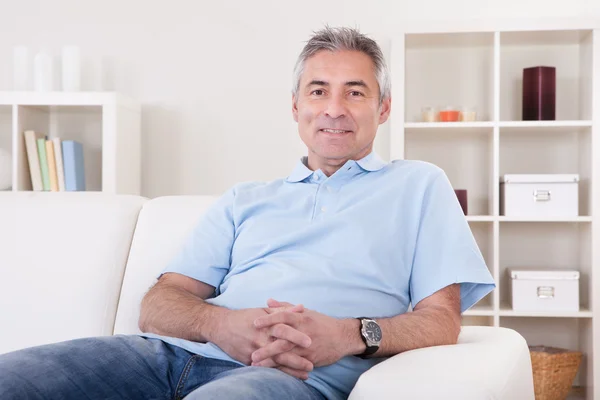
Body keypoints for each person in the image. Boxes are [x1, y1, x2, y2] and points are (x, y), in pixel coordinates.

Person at [0, 26, 495, 400]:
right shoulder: (247, 198)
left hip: (288, 377)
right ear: (296, 106)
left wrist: (347, 334)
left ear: (383, 108)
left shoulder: (418, 184)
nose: (334, 108)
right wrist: (222, 325)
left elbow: (440, 322)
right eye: (318, 90)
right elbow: (159, 303)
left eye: (356, 92)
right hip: (167, 356)